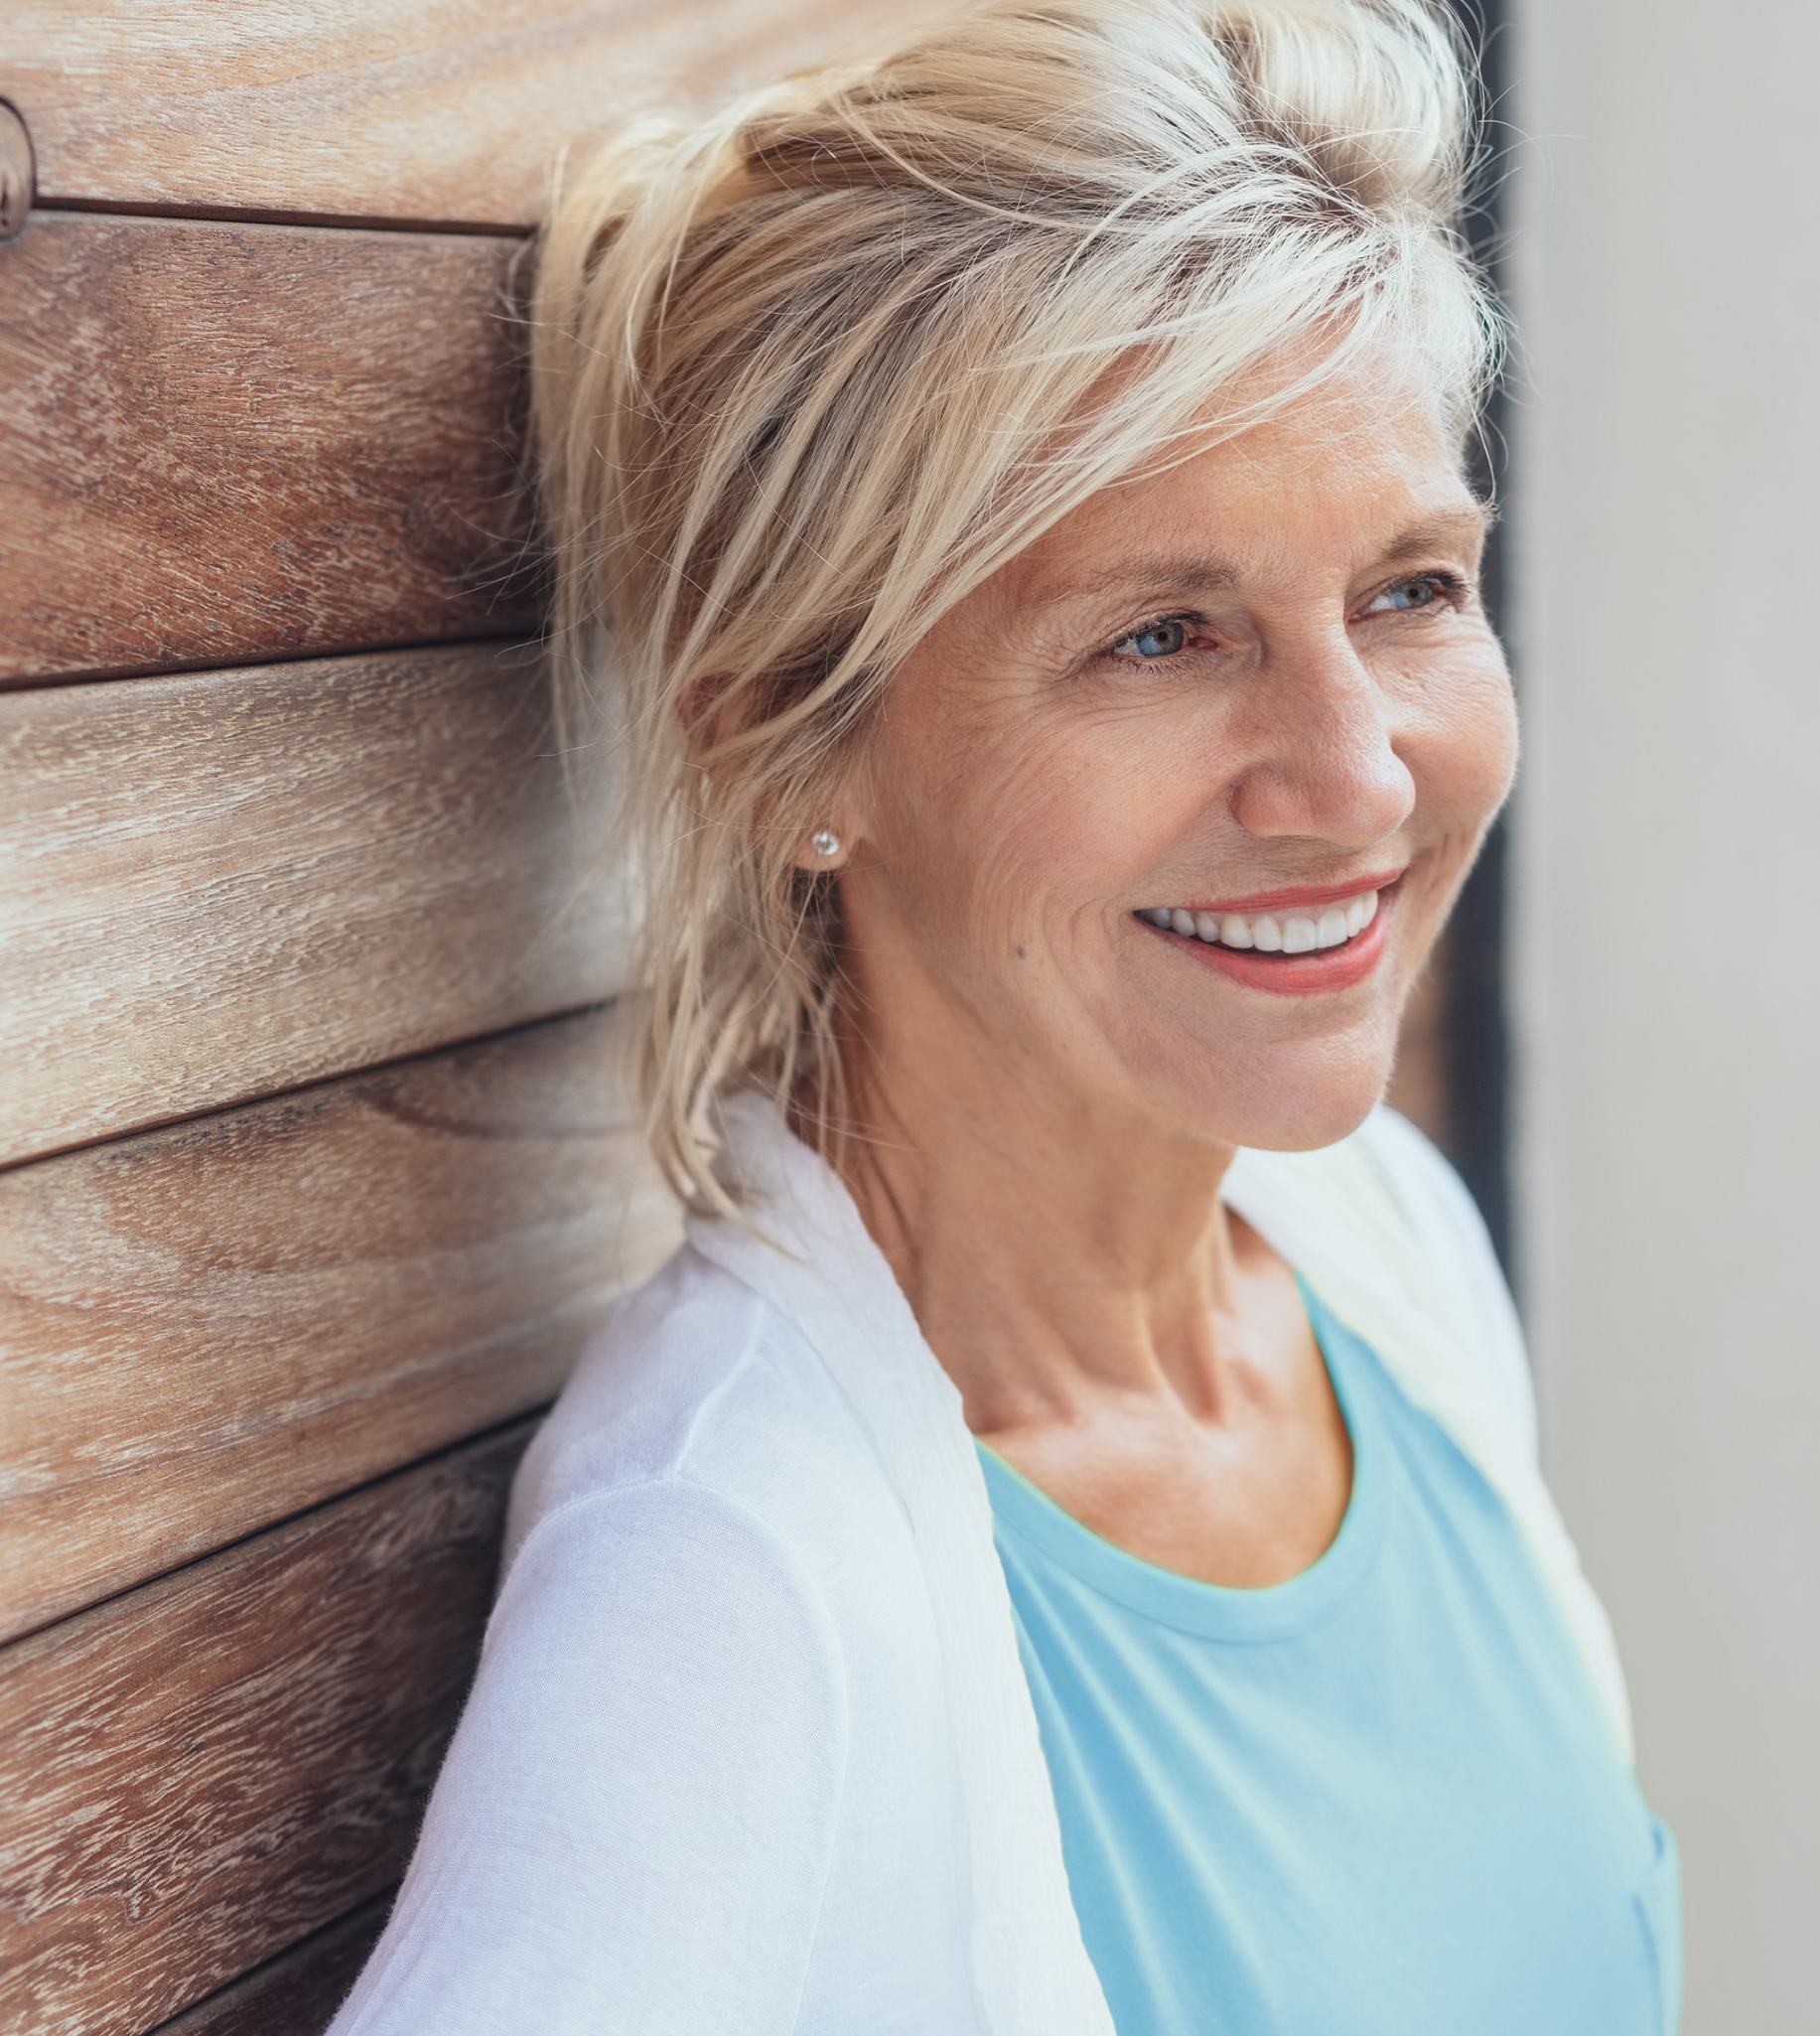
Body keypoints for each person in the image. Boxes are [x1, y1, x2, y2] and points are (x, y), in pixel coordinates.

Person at [329, 0, 1679, 2028]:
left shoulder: (1382, 1249)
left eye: (1407, 590)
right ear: (787, 745)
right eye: (1163, 634)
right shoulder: (725, 1567)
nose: (1358, 778)